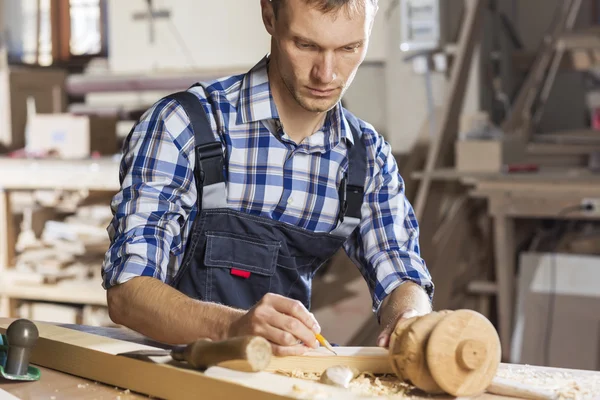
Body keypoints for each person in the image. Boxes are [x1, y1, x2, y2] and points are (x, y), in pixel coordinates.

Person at [101, 0, 434, 356]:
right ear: (269, 16)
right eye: (306, 45)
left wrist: (409, 319)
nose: (326, 74)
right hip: (176, 377)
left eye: (349, 48)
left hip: (280, 380)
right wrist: (231, 327)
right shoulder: (183, 125)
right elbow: (127, 293)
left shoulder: (366, 157)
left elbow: (400, 271)